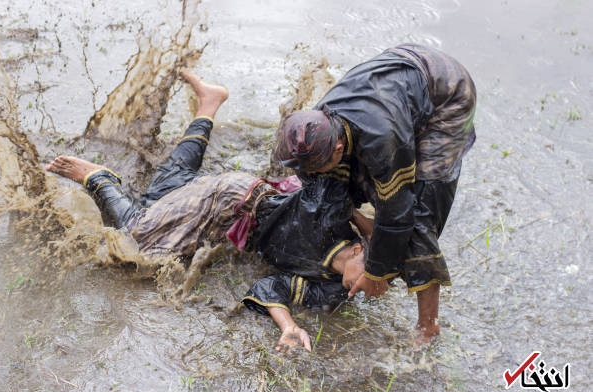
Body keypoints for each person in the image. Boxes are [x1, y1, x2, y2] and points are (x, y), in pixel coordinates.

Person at [46, 71, 366, 352]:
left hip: (230, 218)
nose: (370, 286)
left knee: (170, 184)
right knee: (138, 242)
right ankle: (97, 178)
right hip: (236, 199)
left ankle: (209, 103)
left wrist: (288, 326)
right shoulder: (333, 210)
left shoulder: (333, 288)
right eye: (373, 272)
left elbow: (268, 288)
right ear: (356, 249)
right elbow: (332, 166)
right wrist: (368, 223)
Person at [274, 43, 477, 343]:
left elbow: (398, 215)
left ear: (339, 148)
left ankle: (428, 326)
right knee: (335, 187)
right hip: (397, 74)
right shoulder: (314, 126)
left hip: (446, 95)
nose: (309, 175)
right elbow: (324, 188)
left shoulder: (382, 140)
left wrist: (376, 272)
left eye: (315, 167)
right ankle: (374, 242)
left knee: (419, 212)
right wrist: (352, 216)